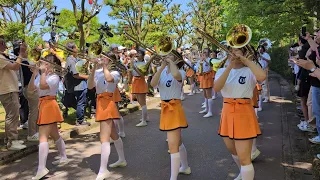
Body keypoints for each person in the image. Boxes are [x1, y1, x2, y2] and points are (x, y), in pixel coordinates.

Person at [214, 46, 266, 180]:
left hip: (244, 113)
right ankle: (242, 173)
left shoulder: (249, 71)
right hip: (227, 112)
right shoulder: (221, 70)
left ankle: (246, 173)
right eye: (231, 50)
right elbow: (217, 87)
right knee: (233, 151)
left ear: (244, 53)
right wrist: (229, 66)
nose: (233, 53)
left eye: (237, 50)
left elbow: (262, 76)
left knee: (244, 158)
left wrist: (245, 60)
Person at [150, 50, 191, 180]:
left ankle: (173, 177)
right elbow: (152, 84)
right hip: (165, 108)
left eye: (170, 55)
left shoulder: (182, 72)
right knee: (178, 142)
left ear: (177, 59)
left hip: (174, 107)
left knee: (172, 145)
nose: (166, 56)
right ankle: (185, 166)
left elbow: (176, 75)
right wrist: (162, 66)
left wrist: (171, 62)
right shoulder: (162, 71)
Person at [87, 52, 127, 180]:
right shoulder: (98, 71)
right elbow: (90, 86)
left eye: (104, 58)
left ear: (110, 61)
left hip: (108, 102)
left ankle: (103, 169)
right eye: (101, 57)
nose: (101, 58)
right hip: (100, 102)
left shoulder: (115, 73)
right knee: (113, 134)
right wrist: (93, 68)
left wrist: (104, 67)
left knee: (104, 138)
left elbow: (109, 80)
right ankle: (122, 159)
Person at [29, 54, 69, 180]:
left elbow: (43, 86)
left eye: (47, 62)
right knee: (55, 134)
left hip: (49, 104)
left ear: (53, 65)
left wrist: (42, 72)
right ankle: (64, 157)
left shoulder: (55, 77)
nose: (44, 64)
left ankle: (41, 168)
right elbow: (31, 89)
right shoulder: (43, 75)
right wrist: (34, 73)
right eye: (44, 62)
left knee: (43, 137)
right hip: (44, 105)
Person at [0, 36, 26, 150]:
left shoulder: (3, 56)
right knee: (12, 116)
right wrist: (21, 53)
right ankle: (11, 142)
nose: (6, 45)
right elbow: (15, 67)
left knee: (13, 115)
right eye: (4, 43)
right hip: (8, 90)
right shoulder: (0, 57)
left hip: (10, 89)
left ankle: (10, 140)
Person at [64, 42, 89, 126]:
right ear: (72, 49)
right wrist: (87, 77)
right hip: (78, 85)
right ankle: (80, 120)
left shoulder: (75, 58)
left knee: (81, 102)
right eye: (76, 47)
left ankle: (80, 118)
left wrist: (87, 60)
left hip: (80, 84)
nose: (77, 49)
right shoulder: (70, 61)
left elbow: (81, 64)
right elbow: (76, 75)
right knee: (81, 103)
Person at [128, 49, 148, 127]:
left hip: (140, 81)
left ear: (143, 55)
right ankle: (145, 117)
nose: (137, 54)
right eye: (137, 53)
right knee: (140, 101)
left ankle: (144, 120)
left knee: (142, 102)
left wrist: (135, 68)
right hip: (136, 81)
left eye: (139, 53)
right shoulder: (136, 62)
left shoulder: (143, 63)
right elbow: (131, 69)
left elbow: (143, 75)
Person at [197, 48, 214, 118]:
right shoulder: (201, 60)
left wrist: (205, 61)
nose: (204, 53)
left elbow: (212, 67)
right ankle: (206, 109)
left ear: (209, 53)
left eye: (206, 52)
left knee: (208, 94)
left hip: (208, 77)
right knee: (205, 94)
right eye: (203, 52)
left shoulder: (210, 60)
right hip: (202, 77)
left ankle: (210, 111)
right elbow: (198, 68)